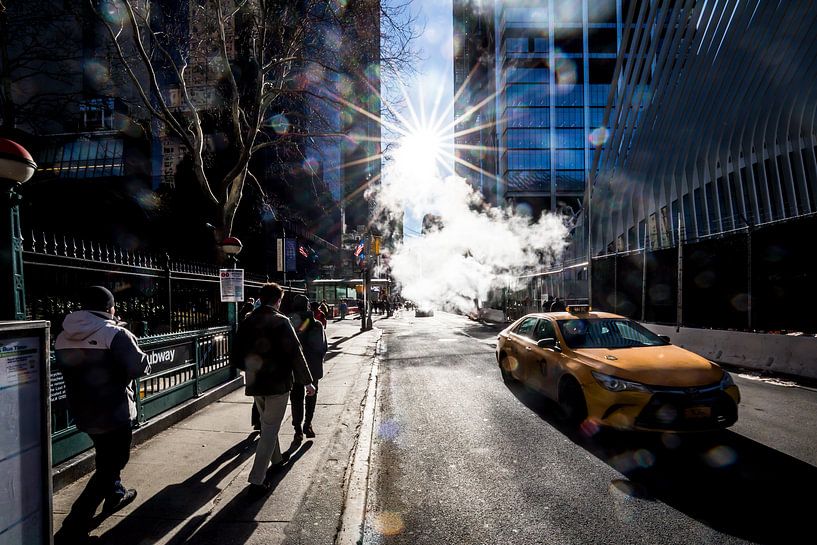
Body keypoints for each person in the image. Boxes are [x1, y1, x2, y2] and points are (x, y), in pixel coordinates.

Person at [54, 286, 151, 544]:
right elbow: (139, 365)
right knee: (114, 461)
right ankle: (74, 523)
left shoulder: (63, 335)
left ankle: (116, 493)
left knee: (105, 456)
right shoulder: (115, 333)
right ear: (110, 308)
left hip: (83, 411)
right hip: (114, 411)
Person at [231, 283, 315, 495]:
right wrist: (307, 381)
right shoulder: (281, 321)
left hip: (255, 382)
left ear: (261, 298)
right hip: (278, 383)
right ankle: (257, 480)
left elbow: (236, 354)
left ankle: (276, 460)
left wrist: (250, 368)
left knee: (268, 424)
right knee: (269, 430)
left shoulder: (248, 320)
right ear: (278, 300)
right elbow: (296, 353)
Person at [288, 295, 328, 441]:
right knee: (311, 396)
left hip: (295, 368)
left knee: (296, 398)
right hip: (313, 367)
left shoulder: (290, 324)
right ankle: (308, 424)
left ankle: (297, 429)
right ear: (308, 307)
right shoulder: (317, 325)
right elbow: (323, 348)